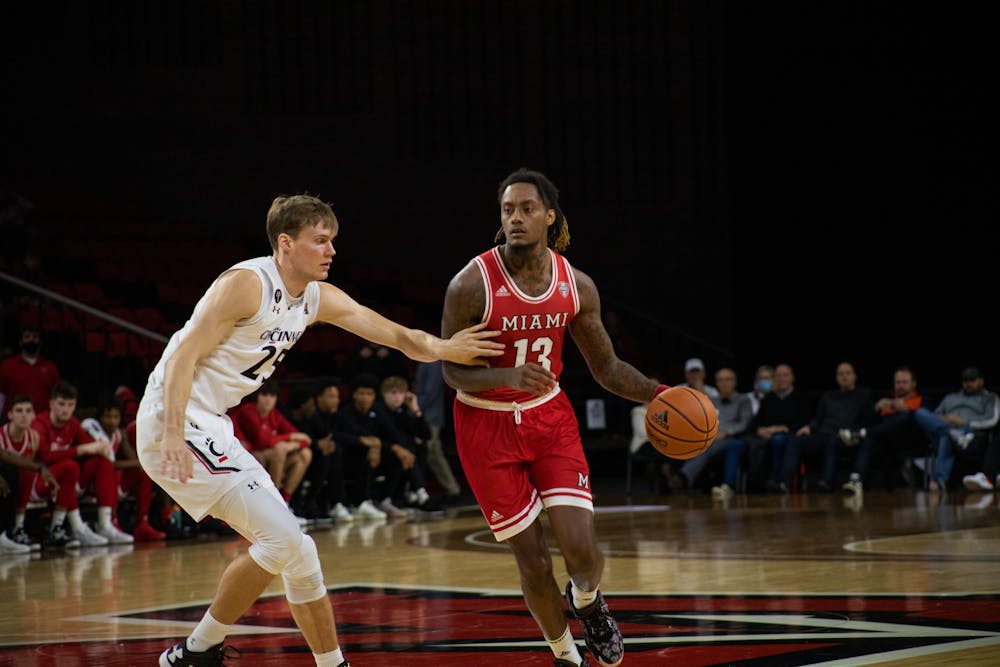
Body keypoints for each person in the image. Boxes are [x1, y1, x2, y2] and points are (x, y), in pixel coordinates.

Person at [135, 193, 502, 667]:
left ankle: (265, 657)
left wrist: (447, 348)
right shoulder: (247, 284)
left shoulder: (315, 297)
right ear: (285, 244)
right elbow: (182, 357)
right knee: (284, 540)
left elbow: (396, 335)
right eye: (321, 240)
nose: (331, 251)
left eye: (333, 241)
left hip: (211, 424)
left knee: (298, 550)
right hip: (174, 417)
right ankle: (195, 651)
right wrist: (169, 434)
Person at [441, 167, 666, 667]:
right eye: (507, 210)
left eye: (525, 209)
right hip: (484, 425)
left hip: (549, 420)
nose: (515, 218)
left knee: (581, 553)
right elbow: (452, 373)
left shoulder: (576, 285)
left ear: (549, 216)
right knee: (533, 561)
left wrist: (659, 393)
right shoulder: (470, 285)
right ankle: (565, 654)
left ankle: (587, 600)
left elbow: (606, 368)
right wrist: (507, 377)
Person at [33, 381, 133, 545]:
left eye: (70, 405)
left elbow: (92, 447)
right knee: (70, 467)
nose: (65, 409)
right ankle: (73, 527)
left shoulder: (72, 423)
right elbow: (45, 457)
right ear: (51, 404)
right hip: (39, 481)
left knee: (102, 462)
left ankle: (105, 524)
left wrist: (98, 448)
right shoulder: (40, 423)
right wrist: (81, 450)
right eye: (61, 404)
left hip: (67, 481)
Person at [82, 399, 166, 541]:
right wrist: (139, 462)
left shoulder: (119, 434)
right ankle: (111, 523)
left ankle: (142, 523)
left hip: (114, 481)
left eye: (116, 417)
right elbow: (110, 464)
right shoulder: (92, 431)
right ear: (100, 418)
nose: (112, 421)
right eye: (108, 417)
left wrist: (141, 463)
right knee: (110, 470)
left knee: (144, 473)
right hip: (92, 482)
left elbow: (134, 459)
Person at [787, 361, 874, 493]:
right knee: (795, 440)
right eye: (840, 374)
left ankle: (826, 482)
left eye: (848, 373)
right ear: (836, 378)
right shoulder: (828, 396)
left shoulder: (863, 395)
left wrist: (852, 432)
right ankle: (783, 483)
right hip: (823, 433)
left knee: (832, 441)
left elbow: (867, 420)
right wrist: (809, 427)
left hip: (845, 436)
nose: (844, 377)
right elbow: (818, 419)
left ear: (855, 376)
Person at [911, 366, 1000, 492]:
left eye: (972, 380)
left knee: (946, 436)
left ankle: (940, 481)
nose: (968, 384)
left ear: (981, 381)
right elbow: (934, 417)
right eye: (965, 380)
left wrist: (965, 423)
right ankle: (953, 433)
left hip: (971, 438)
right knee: (921, 413)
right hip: (949, 432)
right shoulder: (950, 398)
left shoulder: (990, 398)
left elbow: (993, 420)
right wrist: (945, 419)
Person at [233, 379, 314, 514]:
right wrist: (290, 438)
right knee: (279, 450)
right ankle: (275, 503)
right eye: (264, 395)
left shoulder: (274, 414)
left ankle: (285, 501)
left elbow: (306, 441)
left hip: (267, 455)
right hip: (249, 455)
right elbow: (262, 441)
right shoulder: (248, 411)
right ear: (257, 397)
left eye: (272, 396)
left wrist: (291, 443)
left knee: (305, 453)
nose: (268, 400)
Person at [679, 367, 752, 501]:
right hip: (713, 438)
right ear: (716, 383)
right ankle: (689, 481)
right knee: (696, 442)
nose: (724, 383)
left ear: (735, 382)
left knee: (730, 445)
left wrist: (725, 432)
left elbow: (744, 423)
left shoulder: (743, 400)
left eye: (728, 379)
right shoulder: (711, 400)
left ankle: (686, 475)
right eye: (720, 380)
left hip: (734, 438)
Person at [0, 394, 59, 552]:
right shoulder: (1, 434)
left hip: (19, 486)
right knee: (9, 475)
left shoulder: (34, 437)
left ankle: (13, 531)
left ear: (34, 415)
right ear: (9, 414)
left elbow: (7, 456)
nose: (24, 415)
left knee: (17, 473)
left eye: (28, 411)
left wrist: (40, 468)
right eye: (19, 410)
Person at [744, 363, 812, 493]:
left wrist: (782, 428)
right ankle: (755, 484)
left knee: (778, 440)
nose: (782, 379)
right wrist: (760, 430)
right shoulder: (769, 398)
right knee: (754, 443)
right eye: (778, 376)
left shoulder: (800, 396)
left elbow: (805, 421)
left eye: (785, 375)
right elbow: (756, 422)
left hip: (791, 435)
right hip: (768, 435)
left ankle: (776, 480)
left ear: (792, 378)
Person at [299, 379, 354, 522]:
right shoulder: (310, 414)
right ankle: (311, 503)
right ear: (319, 398)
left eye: (337, 397)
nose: (336, 400)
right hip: (307, 458)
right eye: (331, 396)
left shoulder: (334, 415)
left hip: (324, 459)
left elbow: (345, 434)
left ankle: (337, 503)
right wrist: (318, 444)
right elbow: (305, 437)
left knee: (336, 451)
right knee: (327, 455)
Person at [414, 360, 464, 500]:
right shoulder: (426, 362)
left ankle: (451, 488)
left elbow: (431, 393)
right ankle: (451, 488)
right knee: (433, 453)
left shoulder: (432, 364)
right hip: (427, 414)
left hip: (430, 416)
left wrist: (415, 407)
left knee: (430, 452)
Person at [0, 326, 60, 416]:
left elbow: (57, 396)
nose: (31, 340)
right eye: (27, 337)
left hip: (43, 422)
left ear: (40, 342)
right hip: (15, 421)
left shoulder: (50, 367)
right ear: (20, 342)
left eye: (35, 337)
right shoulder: (7, 366)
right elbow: (1, 396)